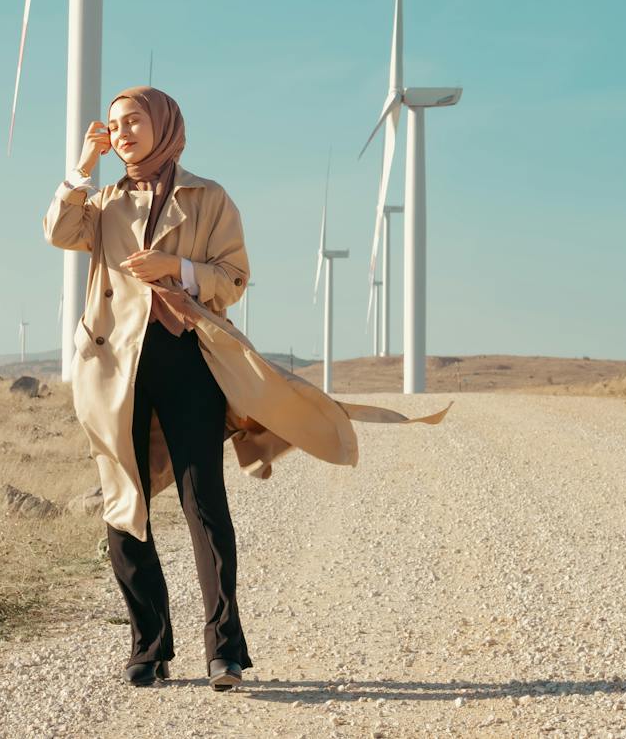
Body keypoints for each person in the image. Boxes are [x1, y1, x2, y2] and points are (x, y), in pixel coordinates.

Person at [44, 86, 446, 690]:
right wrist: (79, 166)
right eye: (114, 123)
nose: (123, 131)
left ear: (166, 126)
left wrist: (175, 271)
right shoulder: (101, 201)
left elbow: (233, 279)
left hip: (190, 363)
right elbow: (57, 230)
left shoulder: (209, 198)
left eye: (135, 121)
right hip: (113, 370)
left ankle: (224, 650)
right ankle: (148, 648)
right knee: (123, 505)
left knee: (203, 503)